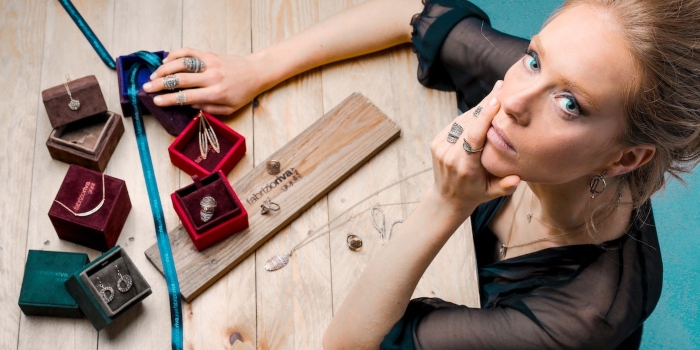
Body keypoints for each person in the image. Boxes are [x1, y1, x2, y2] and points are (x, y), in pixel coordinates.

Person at [144, 0, 700, 348]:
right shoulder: (534, 88)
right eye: (533, 57)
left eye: (569, 104)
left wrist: (446, 203)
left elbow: (348, 344)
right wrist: (258, 67)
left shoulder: (581, 317)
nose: (511, 99)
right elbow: (413, 11)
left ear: (625, 159)